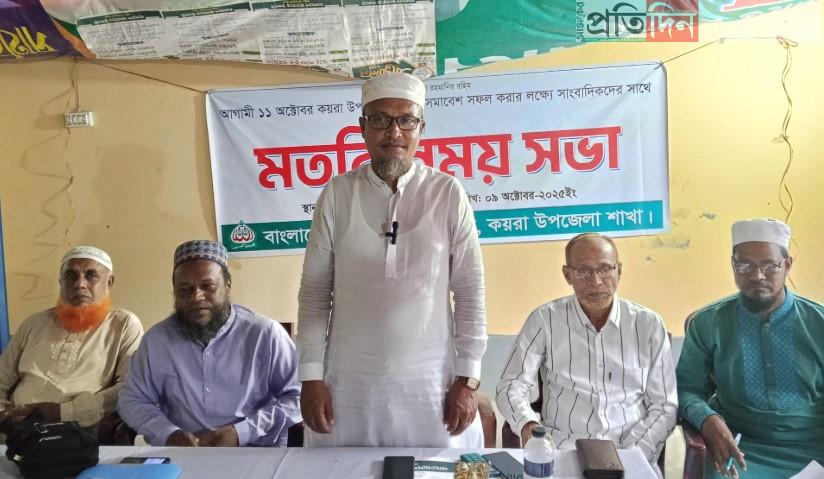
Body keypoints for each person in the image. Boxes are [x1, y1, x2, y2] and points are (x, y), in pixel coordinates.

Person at [297, 72, 487, 447]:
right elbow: (315, 293)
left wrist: (467, 379)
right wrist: (311, 376)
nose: (394, 132)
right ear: (362, 127)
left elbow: (470, 290)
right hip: (348, 385)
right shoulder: (337, 193)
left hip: (432, 383)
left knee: (434, 469)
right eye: (381, 120)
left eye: (406, 121)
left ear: (421, 129)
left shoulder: (447, 193)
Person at [496, 233, 676, 472]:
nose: (596, 281)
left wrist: (632, 455)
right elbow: (511, 385)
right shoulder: (545, 320)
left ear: (619, 271)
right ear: (567, 274)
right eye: (583, 271)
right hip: (562, 451)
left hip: (630, 451)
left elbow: (665, 405)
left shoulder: (648, 325)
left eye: (605, 269)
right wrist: (527, 422)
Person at [677, 219, 824, 478]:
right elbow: (686, 389)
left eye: (769, 265)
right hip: (740, 447)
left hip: (814, 446)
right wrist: (707, 419)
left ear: (787, 265)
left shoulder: (818, 323)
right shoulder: (708, 323)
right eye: (745, 265)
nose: (757, 275)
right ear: (733, 265)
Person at [118, 240, 301, 446]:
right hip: (183, 453)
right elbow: (132, 400)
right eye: (185, 290)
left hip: (255, 451)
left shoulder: (265, 334)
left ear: (227, 286)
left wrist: (242, 433)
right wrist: (169, 434)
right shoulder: (156, 341)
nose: (197, 297)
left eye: (207, 286)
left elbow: (298, 397)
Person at [0, 246, 143, 429]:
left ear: (109, 282)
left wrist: (64, 412)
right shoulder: (34, 323)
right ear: (61, 282)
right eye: (71, 276)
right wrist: (3, 414)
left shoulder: (124, 324)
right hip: (15, 431)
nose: (80, 284)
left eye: (91, 275)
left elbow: (129, 387)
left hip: (77, 433)